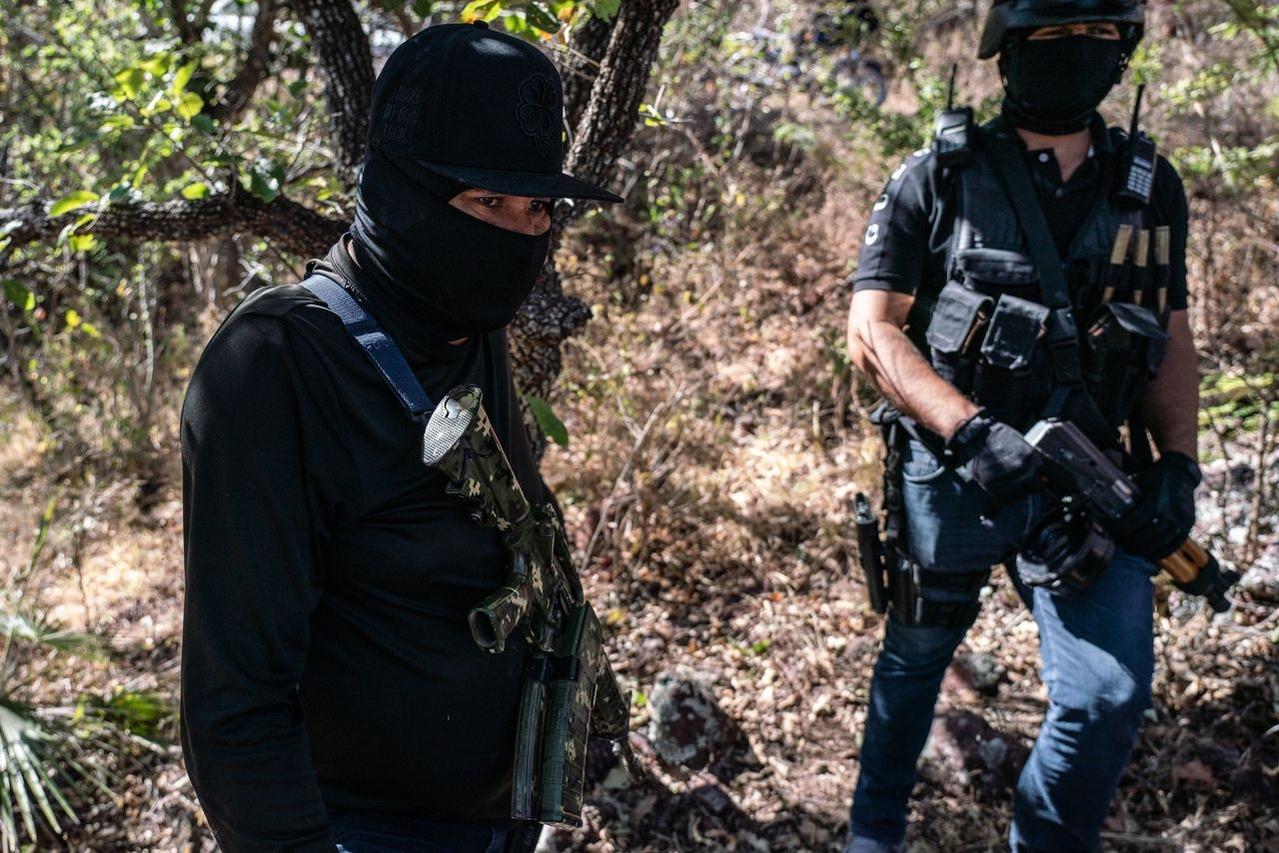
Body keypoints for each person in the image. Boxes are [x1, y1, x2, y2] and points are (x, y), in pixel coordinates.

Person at [179, 21, 621, 853]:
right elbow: (234, 708)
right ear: (401, 191)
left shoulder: (465, 322)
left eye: (536, 208)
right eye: (488, 201)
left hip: (503, 816)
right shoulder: (273, 365)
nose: (520, 233)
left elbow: (510, 530)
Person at [844, 0, 1200, 850]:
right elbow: (871, 331)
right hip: (952, 477)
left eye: (1097, 33)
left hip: (1090, 481)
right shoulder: (938, 175)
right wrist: (967, 429)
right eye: (1050, 34)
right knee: (914, 661)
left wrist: (1178, 464)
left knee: (1106, 696)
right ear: (1007, 51)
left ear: (1123, 52)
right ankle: (872, 833)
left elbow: (1169, 335)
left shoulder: (1149, 187)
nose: (1075, 50)